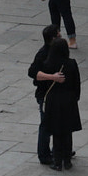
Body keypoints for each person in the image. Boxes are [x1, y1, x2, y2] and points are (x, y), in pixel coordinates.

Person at [37, 37, 82, 171]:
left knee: (56, 131)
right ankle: (67, 160)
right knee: (67, 132)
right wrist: (75, 98)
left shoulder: (48, 65)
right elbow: (76, 84)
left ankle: (57, 161)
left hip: (53, 101)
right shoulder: (71, 63)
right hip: (68, 101)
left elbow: (41, 83)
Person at [27, 24, 62, 165]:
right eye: (58, 34)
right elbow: (32, 73)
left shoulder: (58, 51)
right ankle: (44, 154)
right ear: (53, 38)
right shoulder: (43, 54)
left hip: (57, 94)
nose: (60, 36)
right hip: (45, 94)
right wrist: (52, 77)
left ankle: (60, 149)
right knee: (46, 124)